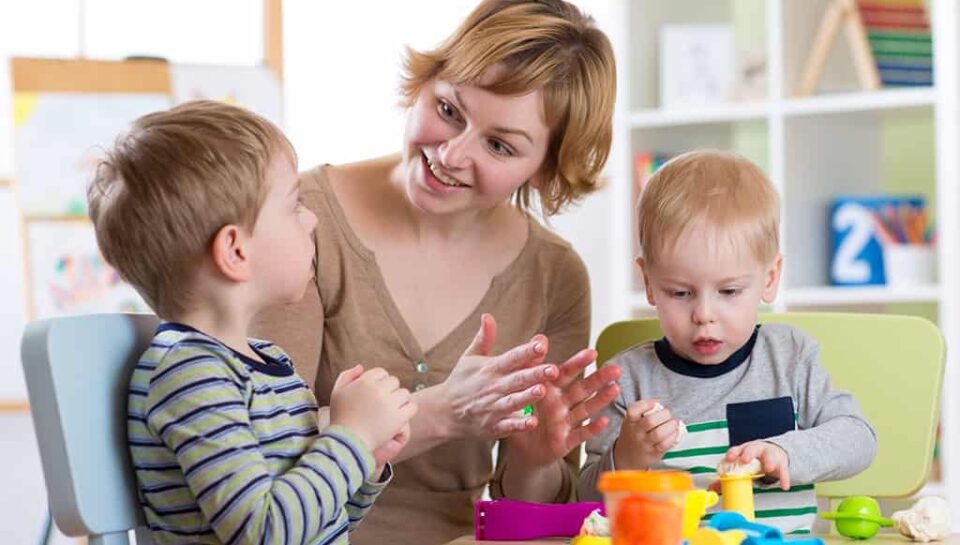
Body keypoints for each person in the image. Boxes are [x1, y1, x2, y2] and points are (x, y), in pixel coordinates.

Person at [252, 1, 622, 543]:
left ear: (544, 168)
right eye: (449, 109)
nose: (450, 154)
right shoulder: (299, 219)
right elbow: (264, 450)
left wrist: (536, 457)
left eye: (498, 145)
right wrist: (444, 412)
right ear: (428, 79)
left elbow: (534, 513)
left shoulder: (555, 274)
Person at [88, 100, 417, 544]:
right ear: (236, 252)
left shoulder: (266, 362)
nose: (313, 218)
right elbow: (263, 533)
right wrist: (350, 436)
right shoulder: (190, 377)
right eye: (294, 205)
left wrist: (366, 461)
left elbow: (315, 529)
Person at [578, 150, 877, 534]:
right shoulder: (628, 381)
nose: (704, 314)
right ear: (649, 282)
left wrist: (786, 451)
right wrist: (628, 456)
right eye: (680, 293)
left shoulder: (790, 358)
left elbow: (858, 437)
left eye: (729, 291)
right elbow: (586, 502)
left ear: (769, 279)